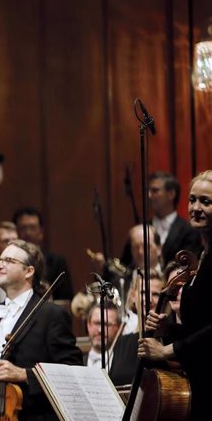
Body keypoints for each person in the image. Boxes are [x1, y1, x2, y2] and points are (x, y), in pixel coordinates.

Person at [0, 239, 82, 419]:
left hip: (32, 414)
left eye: (9, 261)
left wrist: (24, 374)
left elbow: (71, 369)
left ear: (29, 271)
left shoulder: (51, 315)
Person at [139, 170, 212, 420]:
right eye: (192, 200)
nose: (196, 208)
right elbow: (199, 326)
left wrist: (167, 350)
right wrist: (167, 329)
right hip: (199, 377)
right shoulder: (200, 257)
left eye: (206, 201)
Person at [121, 171, 202, 267]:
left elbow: (188, 267)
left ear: (171, 194)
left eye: (155, 191)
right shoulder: (140, 230)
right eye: (148, 191)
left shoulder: (189, 231)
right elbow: (125, 265)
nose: (149, 196)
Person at [12, 207, 73, 300]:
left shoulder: (56, 263)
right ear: (16, 231)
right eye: (23, 228)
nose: (28, 233)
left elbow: (65, 300)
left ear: (41, 232)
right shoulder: (9, 262)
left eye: (32, 228)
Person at [84, 301, 137, 386]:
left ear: (120, 328)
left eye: (107, 325)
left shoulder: (127, 362)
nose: (100, 330)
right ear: (88, 325)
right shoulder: (78, 362)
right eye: (97, 323)